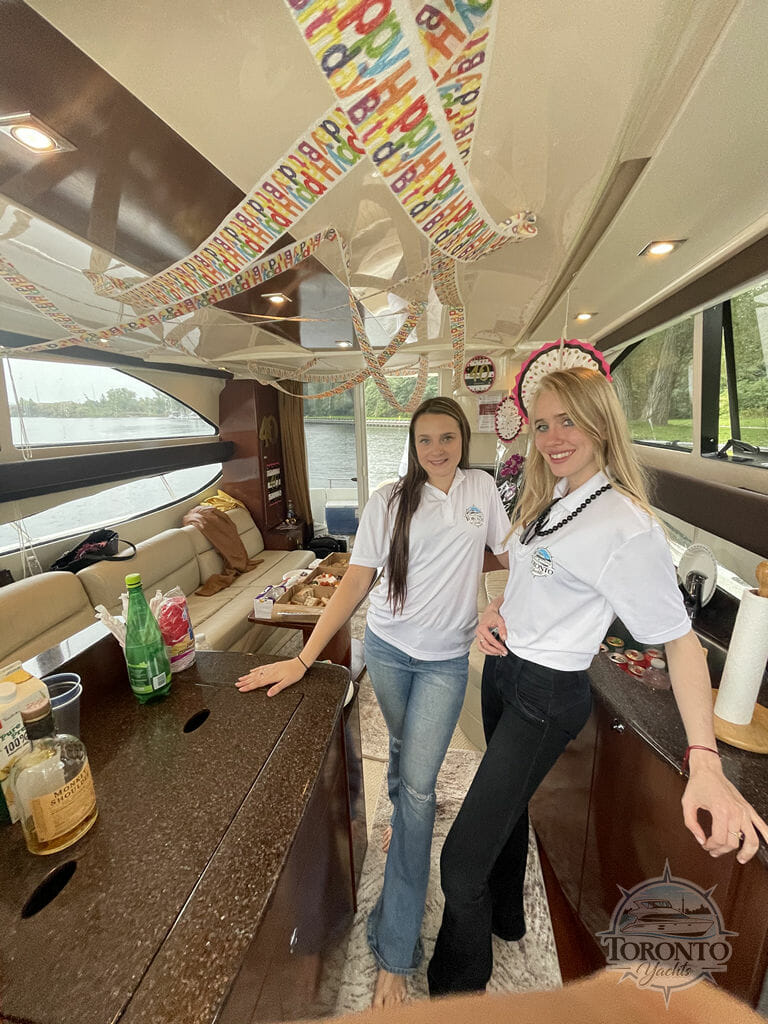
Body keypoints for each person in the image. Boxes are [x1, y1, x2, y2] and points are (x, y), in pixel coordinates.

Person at [427, 366, 768, 996]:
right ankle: (505, 920)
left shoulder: (625, 526)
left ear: (602, 424)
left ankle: (454, 996)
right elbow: (533, 578)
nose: (555, 437)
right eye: (543, 424)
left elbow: (681, 641)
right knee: (502, 819)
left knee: (459, 862)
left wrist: (706, 762)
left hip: (545, 696)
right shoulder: (557, 497)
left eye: (570, 421)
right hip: (507, 673)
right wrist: (500, 614)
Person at [236, 396, 510, 1008]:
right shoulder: (389, 500)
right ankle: (399, 828)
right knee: (406, 766)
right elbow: (357, 579)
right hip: (386, 652)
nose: (436, 450)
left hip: (443, 663)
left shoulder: (482, 492)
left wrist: (494, 603)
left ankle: (394, 950)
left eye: (447, 438)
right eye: (424, 441)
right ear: (412, 448)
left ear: (464, 439)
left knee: (416, 791)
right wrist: (304, 657)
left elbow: (509, 556)